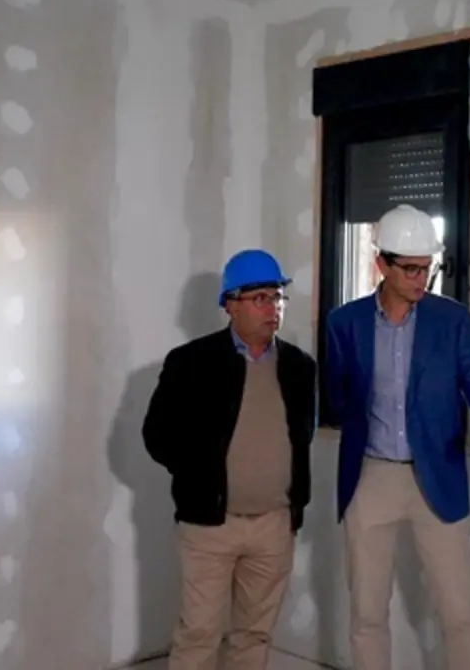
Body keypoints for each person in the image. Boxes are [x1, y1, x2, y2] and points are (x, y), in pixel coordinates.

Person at [325, 203, 470, 670]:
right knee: (367, 614)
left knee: (460, 613)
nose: (422, 279)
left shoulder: (452, 320)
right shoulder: (344, 323)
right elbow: (339, 400)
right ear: (381, 264)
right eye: (411, 269)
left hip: (438, 475)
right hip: (371, 476)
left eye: (428, 268)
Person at [142, 248, 317, 670]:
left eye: (277, 297)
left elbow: (302, 436)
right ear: (230, 304)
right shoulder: (190, 363)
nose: (273, 308)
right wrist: (202, 476)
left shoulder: (299, 367)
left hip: (274, 525)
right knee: (199, 633)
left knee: (254, 636)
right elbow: (157, 435)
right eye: (260, 298)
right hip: (210, 525)